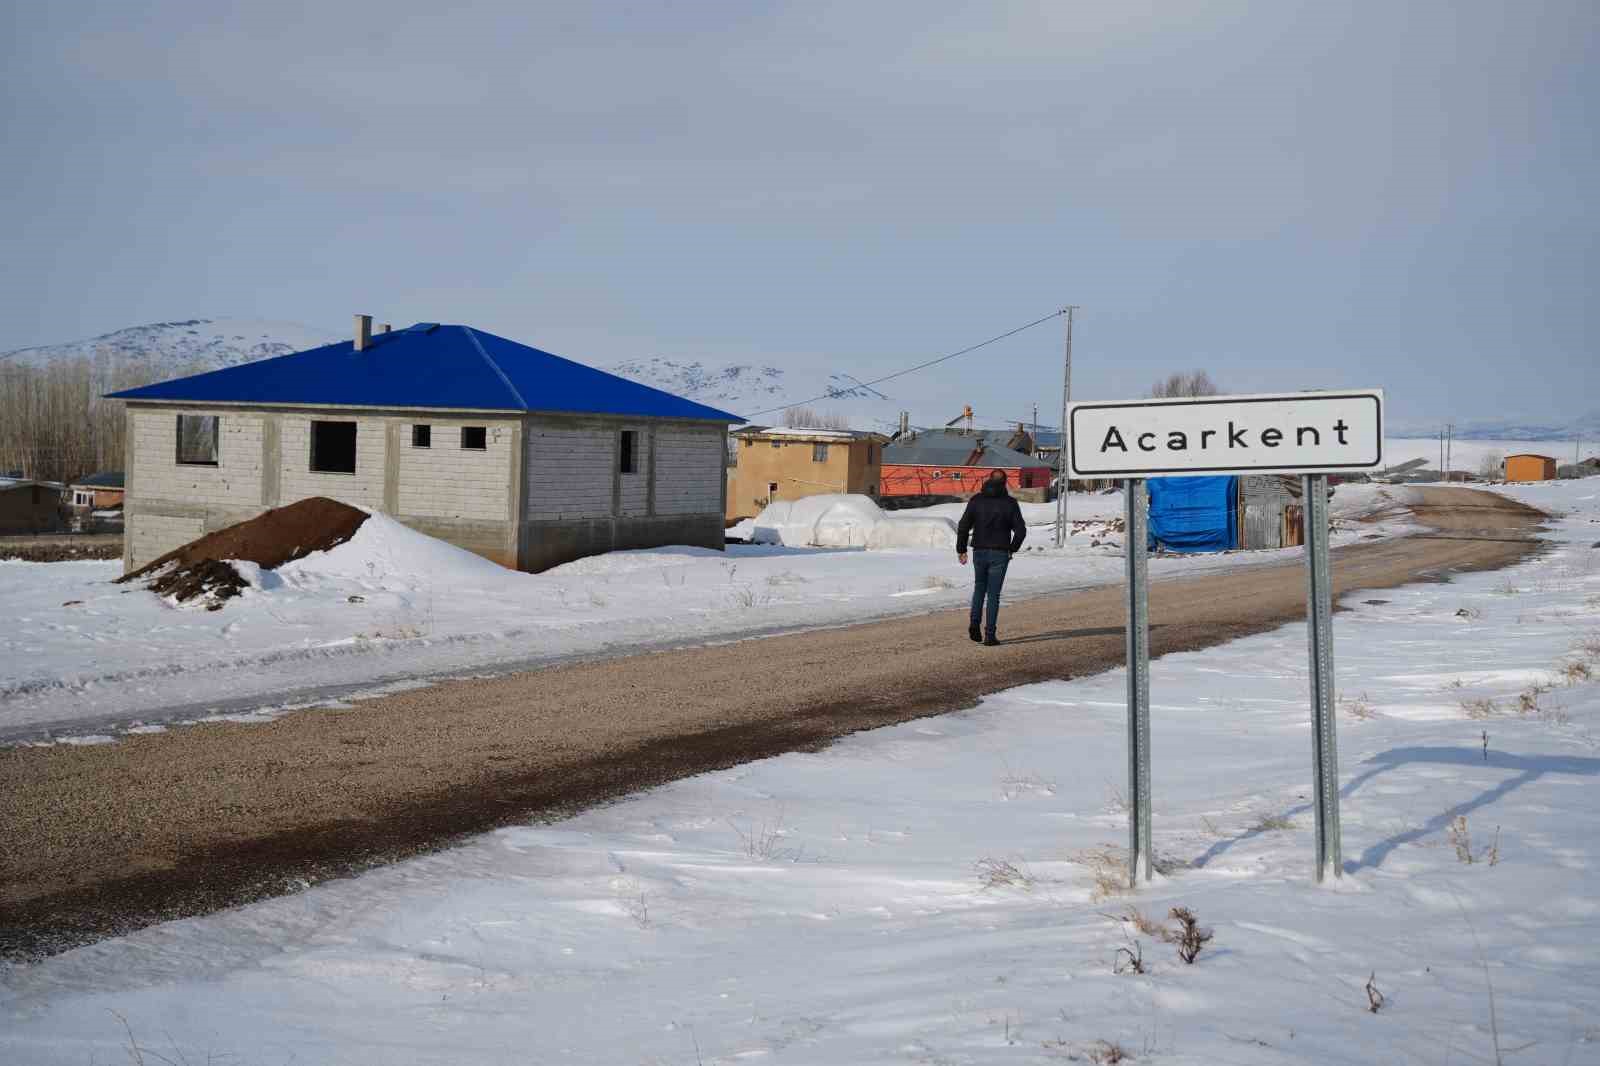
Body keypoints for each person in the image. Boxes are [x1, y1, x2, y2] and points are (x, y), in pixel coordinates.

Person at [956, 469, 1027, 645]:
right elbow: (1020, 530)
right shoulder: (1010, 503)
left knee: (979, 588)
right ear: (1005, 482)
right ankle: (989, 635)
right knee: (993, 594)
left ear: (988, 480)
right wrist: (1012, 548)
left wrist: (961, 549)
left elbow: (963, 525)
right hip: (1000, 552)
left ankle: (974, 623)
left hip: (979, 550)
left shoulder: (976, 501)